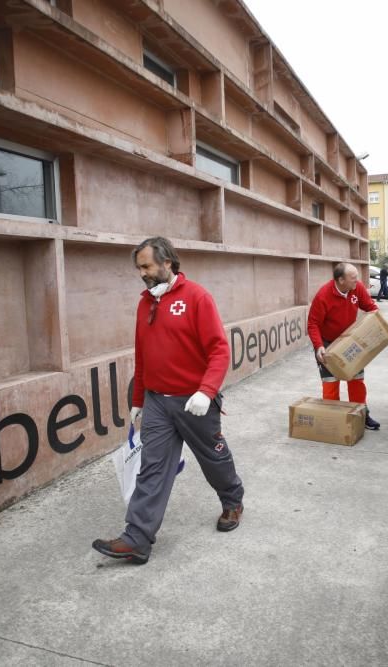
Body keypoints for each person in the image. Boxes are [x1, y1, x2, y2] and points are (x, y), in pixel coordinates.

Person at [93, 237, 245, 565]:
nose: (142, 273)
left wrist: (206, 391)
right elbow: (143, 354)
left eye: (146, 266)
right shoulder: (145, 302)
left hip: (194, 402)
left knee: (213, 459)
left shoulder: (197, 298)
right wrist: (138, 399)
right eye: (139, 268)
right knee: (152, 467)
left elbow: (219, 349)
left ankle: (232, 499)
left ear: (168, 263)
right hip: (158, 402)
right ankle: (137, 539)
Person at [307, 262, 381, 430]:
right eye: (353, 278)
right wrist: (319, 346)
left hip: (349, 341)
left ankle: (361, 415)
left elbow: (369, 307)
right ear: (341, 280)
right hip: (328, 344)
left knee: (356, 379)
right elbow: (313, 324)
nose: (357, 281)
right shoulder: (323, 295)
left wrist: (376, 312)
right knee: (330, 382)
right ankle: (334, 419)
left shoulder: (357, 288)